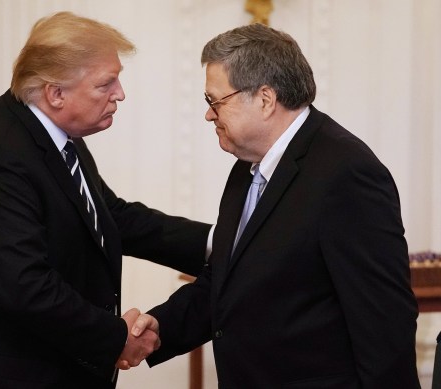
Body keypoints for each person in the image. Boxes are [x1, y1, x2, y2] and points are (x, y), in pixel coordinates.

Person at [0, 11, 211, 389]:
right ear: (56, 93)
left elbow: (110, 216)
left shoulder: (54, 136)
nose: (120, 93)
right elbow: (26, 288)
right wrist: (117, 338)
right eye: (106, 83)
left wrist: (220, 242)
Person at [137, 23, 420, 388]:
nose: (209, 114)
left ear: (266, 100)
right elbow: (227, 280)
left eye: (215, 101)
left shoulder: (346, 173)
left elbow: (384, 320)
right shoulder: (247, 167)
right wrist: (161, 327)